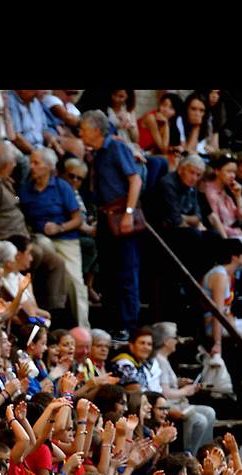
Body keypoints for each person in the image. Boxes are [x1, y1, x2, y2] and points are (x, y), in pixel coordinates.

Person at [78, 109, 142, 340]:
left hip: (120, 214)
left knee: (126, 272)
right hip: (105, 217)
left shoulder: (115, 148)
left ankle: (128, 326)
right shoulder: (97, 153)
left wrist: (128, 213)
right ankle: (114, 324)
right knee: (109, 273)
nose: (80, 133)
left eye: (83, 129)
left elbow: (135, 179)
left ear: (95, 130)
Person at [20, 146, 87, 328]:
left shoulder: (62, 187)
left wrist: (59, 227)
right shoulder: (26, 189)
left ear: (49, 167)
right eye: (31, 162)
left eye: (36, 163)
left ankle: (82, 328)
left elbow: (78, 219)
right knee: (45, 248)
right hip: (40, 237)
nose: (32, 166)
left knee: (75, 281)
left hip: (66, 238)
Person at [150, 321, 215, 454]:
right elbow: (165, 392)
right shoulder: (159, 360)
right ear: (167, 341)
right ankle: (190, 453)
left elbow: (166, 383)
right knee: (200, 420)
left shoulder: (164, 359)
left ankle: (205, 452)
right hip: (170, 404)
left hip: (178, 403)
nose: (177, 341)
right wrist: (185, 391)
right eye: (175, 338)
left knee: (209, 412)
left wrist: (179, 383)